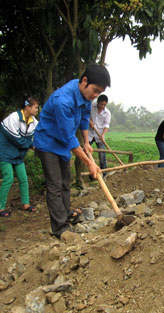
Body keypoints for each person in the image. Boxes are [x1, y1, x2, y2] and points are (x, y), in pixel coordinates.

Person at [33, 64, 110, 238]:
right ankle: (60, 228)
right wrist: (89, 162)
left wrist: (86, 142)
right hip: (48, 143)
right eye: (95, 91)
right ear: (84, 81)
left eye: (100, 92)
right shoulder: (63, 101)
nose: (96, 96)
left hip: (62, 144)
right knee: (54, 184)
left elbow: (84, 118)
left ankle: (65, 212)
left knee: (65, 181)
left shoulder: (85, 95)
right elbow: (69, 138)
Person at [0, 97, 39, 217]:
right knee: (8, 178)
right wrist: (32, 145)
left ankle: (25, 203)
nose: (37, 110)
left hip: (18, 154)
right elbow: (17, 140)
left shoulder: (34, 121)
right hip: (4, 153)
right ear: (28, 107)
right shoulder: (13, 118)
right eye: (36, 107)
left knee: (23, 178)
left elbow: (39, 134)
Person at [88, 94, 111, 176]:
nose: (102, 106)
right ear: (98, 102)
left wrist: (102, 135)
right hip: (90, 133)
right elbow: (85, 115)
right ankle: (91, 173)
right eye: (101, 104)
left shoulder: (107, 113)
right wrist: (89, 121)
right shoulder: (91, 106)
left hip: (100, 135)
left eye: (104, 105)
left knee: (102, 155)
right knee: (86, 152)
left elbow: (106, 125)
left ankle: (104, 173)